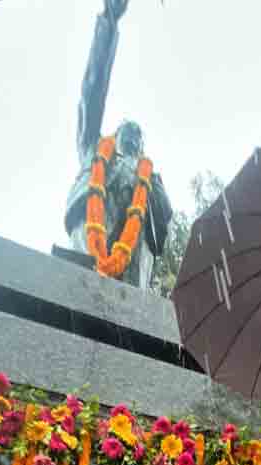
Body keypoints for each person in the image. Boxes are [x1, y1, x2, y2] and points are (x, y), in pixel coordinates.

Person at [65, 0, 172, 287]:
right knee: (80, 291)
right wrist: (109, 25)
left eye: (139, 135)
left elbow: (164, 218)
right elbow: (92, 91)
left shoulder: (150, 178)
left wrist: (151, 187)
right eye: (129, 130)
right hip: (88, 243)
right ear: (116, 133)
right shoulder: (95, 151)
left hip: (134, 266)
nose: (134, 136)